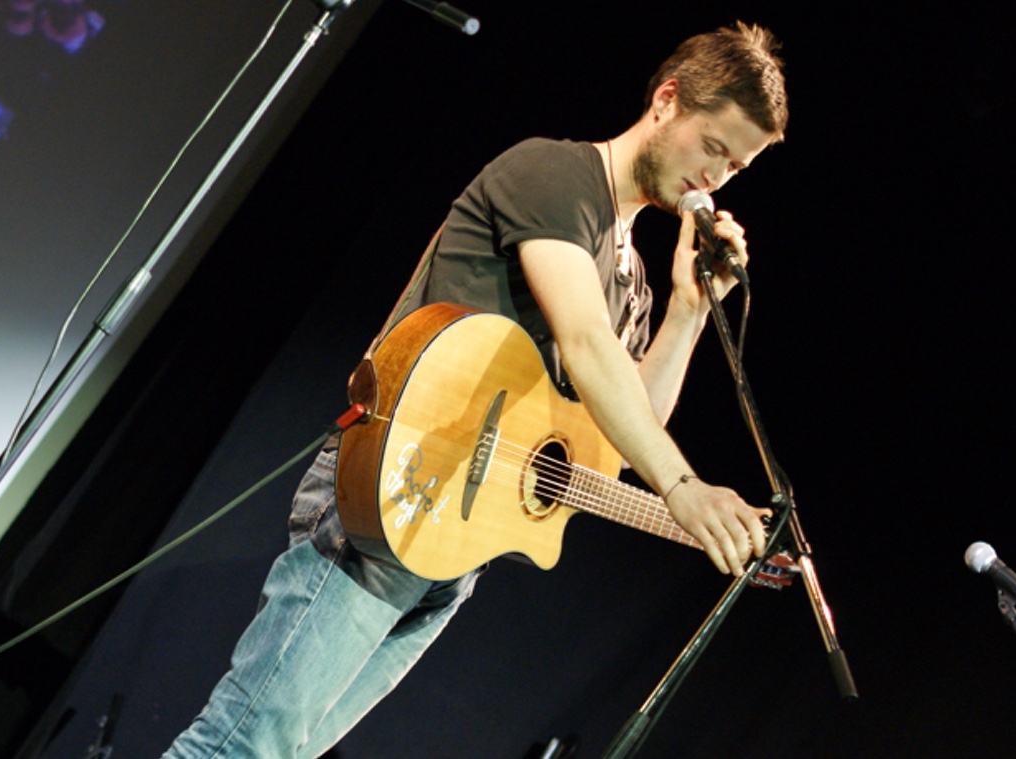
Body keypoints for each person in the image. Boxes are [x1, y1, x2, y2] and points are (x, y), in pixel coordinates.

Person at [164, 21, 788, 758]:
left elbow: (617, 442)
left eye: (736, 167)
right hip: (395, 490)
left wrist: (687, 309)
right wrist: (681, 486)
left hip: (454, 541)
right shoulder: (558, 175)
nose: (716, 177)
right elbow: (585, 342)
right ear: (667, 100)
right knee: (238, 746)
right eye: (713, 147)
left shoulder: (634, 283)